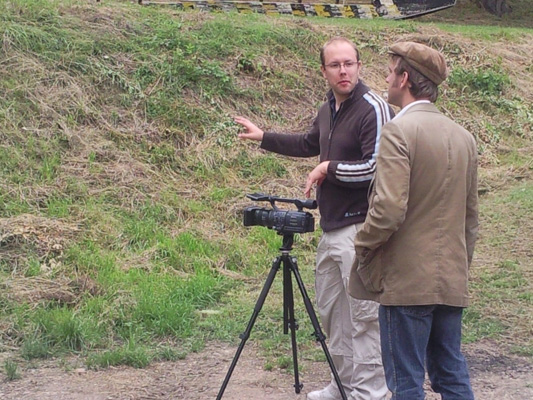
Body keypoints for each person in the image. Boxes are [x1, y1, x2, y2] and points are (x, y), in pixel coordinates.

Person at [235, 37, 392, 400]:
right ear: (323, 71)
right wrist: (264, 137)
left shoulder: (373, 108)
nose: (343, 71)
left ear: (359, 65)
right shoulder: (328, 109)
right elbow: (308, 142)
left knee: (364, 318)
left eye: (349, 63)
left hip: (363, 229)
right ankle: (343, 385)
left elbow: (376, 168)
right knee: (333, 314)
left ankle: (371, 393)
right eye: (335, 65)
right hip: (331, 227)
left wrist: (328, 168)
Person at [349, 41, 479, 400]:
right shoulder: (464, 138)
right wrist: (457, 266)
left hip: (406, 283)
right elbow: (471, 219)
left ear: (405, 78)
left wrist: (363, 244)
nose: (387, 79)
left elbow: (389, 208)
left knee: (405, 383)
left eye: (391, 72)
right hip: (450, 279)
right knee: (451, 374)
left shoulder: (398, 132)